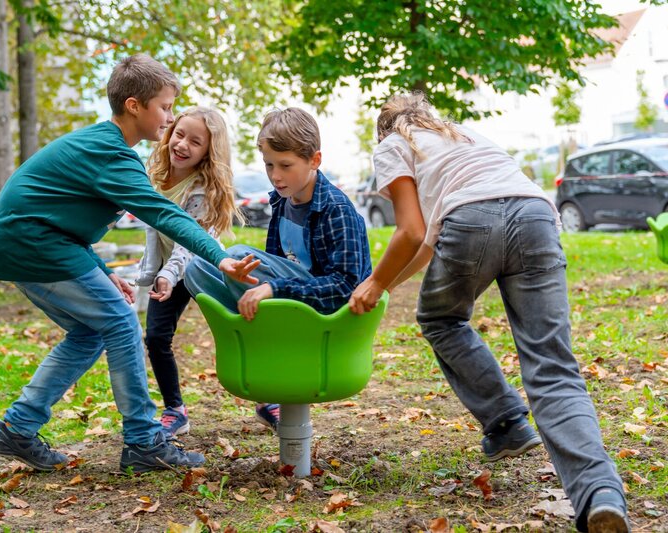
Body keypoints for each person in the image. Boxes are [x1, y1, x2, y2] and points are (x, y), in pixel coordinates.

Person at [348, 93, 629, 533]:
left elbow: (411, 230)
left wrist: (376, 282)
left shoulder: (392, 144)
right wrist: (385, 286)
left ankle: (507, 422)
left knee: (441, 319)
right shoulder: (462, 135)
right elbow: (426, 245)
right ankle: (600, 493)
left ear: (385, 128)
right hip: (535, 215)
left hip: (471, 223)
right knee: (553, 366)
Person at [0, 54, 260, 475]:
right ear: (134, 106)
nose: (167, 117)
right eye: (164, 107)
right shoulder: (112, 154)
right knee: (122, 322)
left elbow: (60, 217)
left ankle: (18, 427)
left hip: (27, 242)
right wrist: (221, 258)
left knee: (90, 332)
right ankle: (144, 440)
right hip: (31, 244)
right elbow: (165, 214)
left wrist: (102, 270)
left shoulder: (104, 147)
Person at [185, 107, 372, 431]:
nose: (276, 175)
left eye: (286, 165)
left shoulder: (336, 209)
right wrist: (264, 285)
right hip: (286, 308)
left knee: (239, 253)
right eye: (269, 165)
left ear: (314, 160)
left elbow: (346, 287)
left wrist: (275, 288)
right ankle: (252, 332)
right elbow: (274, 263)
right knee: (197, 267)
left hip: (325, 314)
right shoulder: (281, 201)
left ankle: (263, 331)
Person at [136, 106, 242, 438]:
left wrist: (168, 274)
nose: (183, 145)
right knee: (155, 337)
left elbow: (187, 243)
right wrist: (153, 271)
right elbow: (154, 231)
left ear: (208, 152)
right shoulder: (155, 177)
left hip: (205, 268)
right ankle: (175, 409)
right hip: (169, 271)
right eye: (179, 135)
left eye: (195, 142)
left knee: (237, 332)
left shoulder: (201, 191)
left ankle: (267, 400)